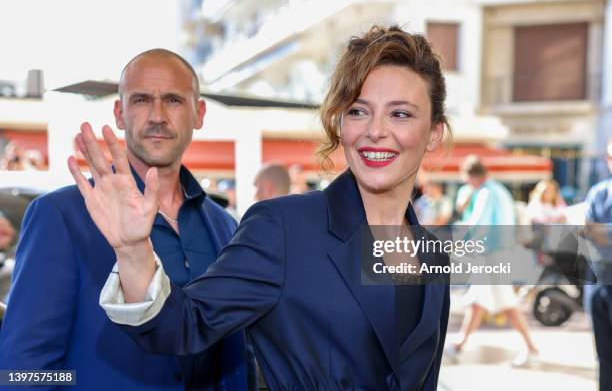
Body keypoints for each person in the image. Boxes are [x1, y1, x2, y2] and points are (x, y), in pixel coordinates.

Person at [70, 25, 451, 390]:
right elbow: (184, 325)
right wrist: (134, 251)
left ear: (433, 132)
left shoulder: (435, 256)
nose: (375, 131)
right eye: (358, 111)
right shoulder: (283, 228)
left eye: (400, 113)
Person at [0, 49, 251, 390]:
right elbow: (23, 370)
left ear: (199, 113)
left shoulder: (225, 225)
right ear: (120, 113)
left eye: (174, 100)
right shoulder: (60, 216)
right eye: (142, 100)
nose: (158, 116)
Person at [449, 155, 539, 367]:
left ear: (472, 176)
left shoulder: (485, 193)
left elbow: (479, 225)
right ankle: (461, 342)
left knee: (505, 302)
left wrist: (459, 242)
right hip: (499, 252)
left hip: (492, 255)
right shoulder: (498, 189)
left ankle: (530, 346)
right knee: (478, 300)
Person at [584, 138, 612, 391]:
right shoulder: (598, 193)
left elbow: (598, 233)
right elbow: (589, 232)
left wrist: (604, 235)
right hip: (599, 284)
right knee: (603, 356)